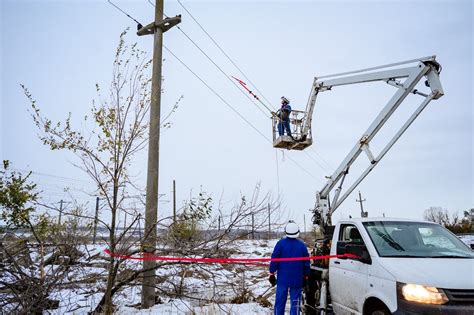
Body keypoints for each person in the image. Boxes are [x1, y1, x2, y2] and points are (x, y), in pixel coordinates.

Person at [269, 221, 310, 315]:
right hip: (297, 279)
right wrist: (306, 276)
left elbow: (274, 259)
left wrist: (271, 273)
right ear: (297, 232)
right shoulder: (302, 245)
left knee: (279, 301)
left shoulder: (280, 244)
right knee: (295, 303)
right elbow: (306, 263)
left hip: (282, 279)